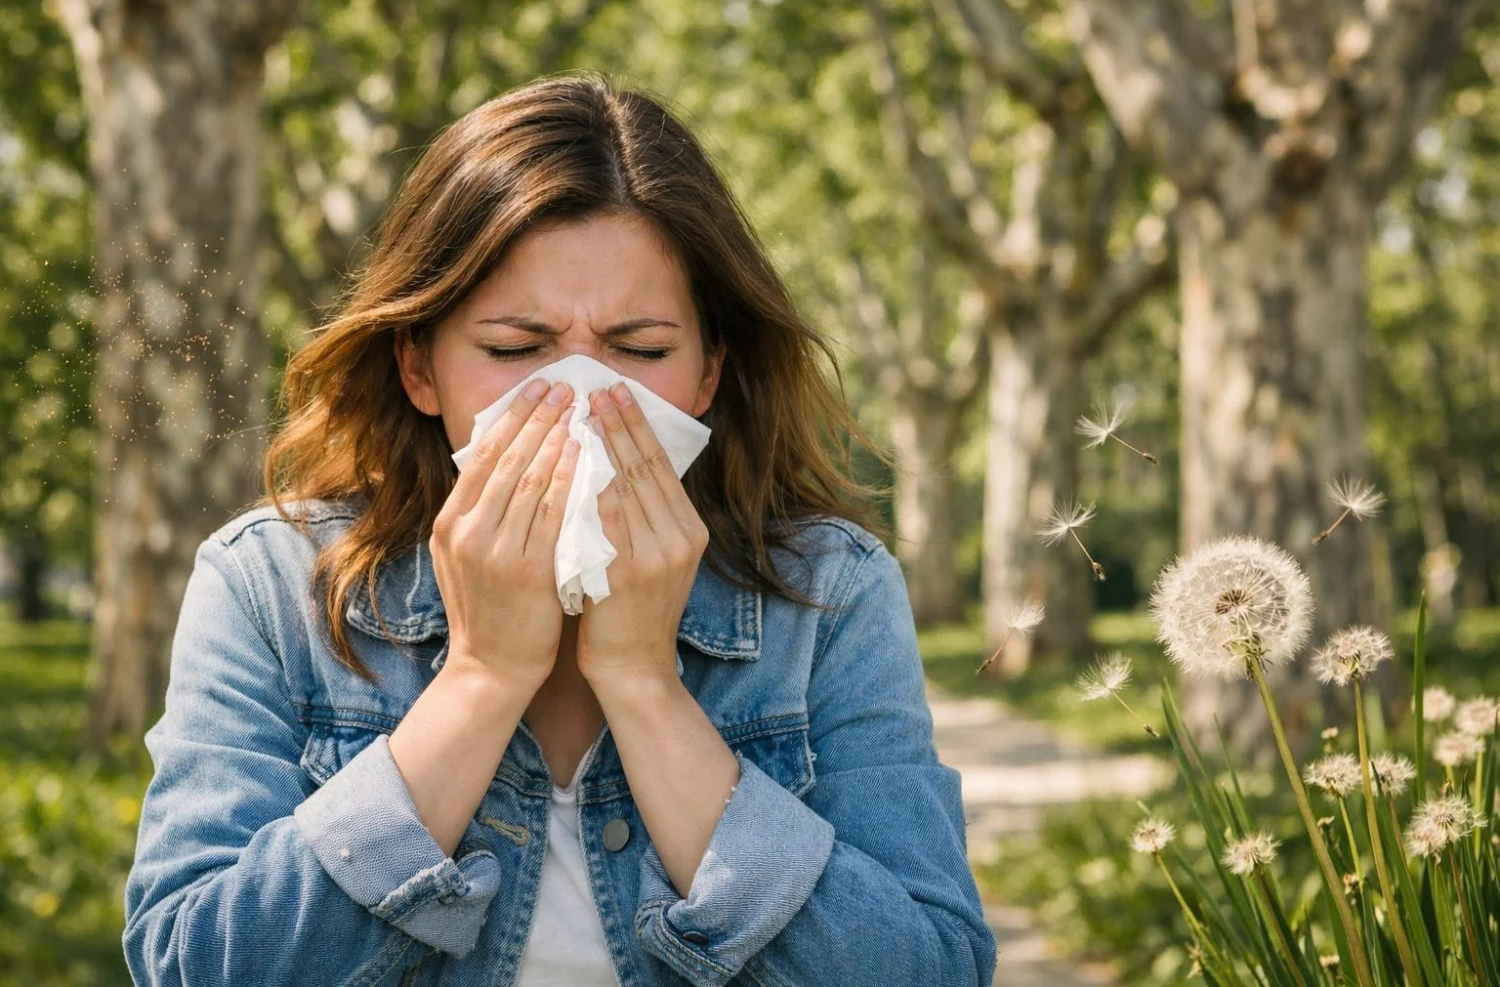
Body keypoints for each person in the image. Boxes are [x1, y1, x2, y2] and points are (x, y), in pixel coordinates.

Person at [122, 70, 997, 987]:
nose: (582, 402)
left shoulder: (832, 592)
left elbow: (929, 967)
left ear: (706, 375)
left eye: (641, 350)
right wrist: (480, 681)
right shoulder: (267, 586)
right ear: (420, 369)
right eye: (513, 350)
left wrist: (646, 686)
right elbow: (194, 962)